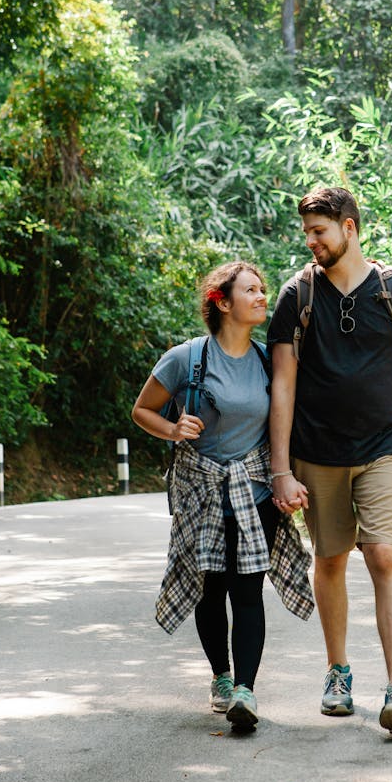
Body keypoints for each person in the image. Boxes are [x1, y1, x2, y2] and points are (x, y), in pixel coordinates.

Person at [267, 188, 392, 736]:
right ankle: (337, 673)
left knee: (384, 554)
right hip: (317, 451)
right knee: (332, 558)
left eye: (320, 231)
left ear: (350, 227)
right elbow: (283, 384)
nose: (312, 242)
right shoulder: (298, 295)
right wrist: (281, 467)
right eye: (307, 233)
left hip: (386, 444)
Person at [132, 261, 313, 732]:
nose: (261, 297)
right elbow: (141, 410)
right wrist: (173, 428)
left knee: (248, 588)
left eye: (262, 290)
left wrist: (284, 476)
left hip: (253, 489)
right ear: (223, 302)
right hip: (201, 489)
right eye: (250, 290)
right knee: (210, 590)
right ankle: (222, 678)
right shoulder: (186, 359)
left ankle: (246, 692)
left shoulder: (265, 360)